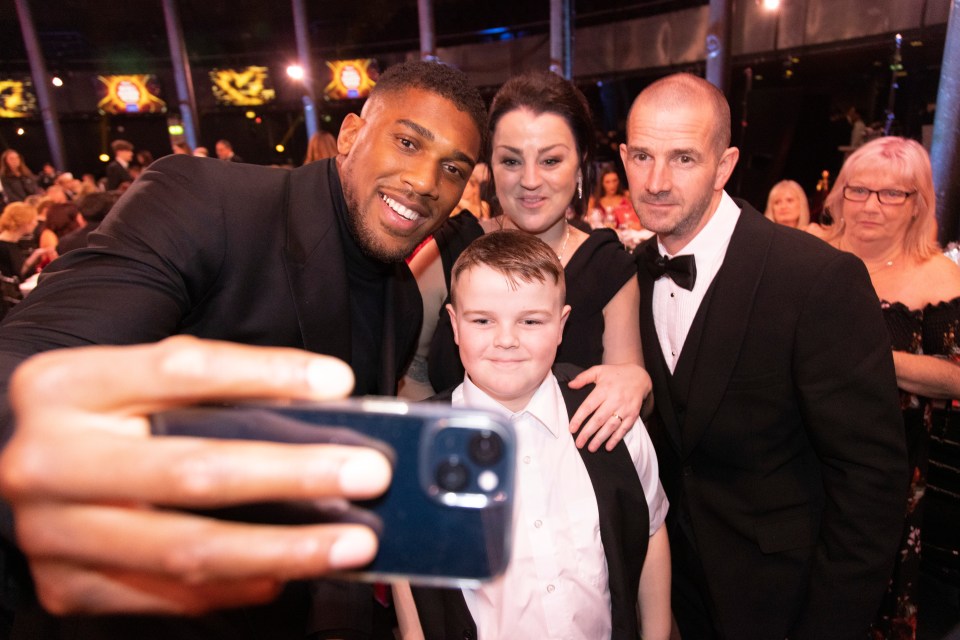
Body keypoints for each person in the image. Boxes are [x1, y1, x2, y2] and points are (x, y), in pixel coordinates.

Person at [0, 59, 486, 640]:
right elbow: (31, 362)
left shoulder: (404, 301)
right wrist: (38, 453)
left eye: (451, 169)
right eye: (407, 142)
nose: (426, 181)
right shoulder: (206, 200)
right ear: (352, 135)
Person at [622, 73, 907, 639]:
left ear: (724, 166)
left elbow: (870, 481)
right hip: (674, 600)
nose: (655, 181)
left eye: (682, 158)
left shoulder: (816, 278)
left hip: (787, 601)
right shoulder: (627, 279)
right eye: (643, 157)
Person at [409, 230, 670, 640]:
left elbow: (651, 531)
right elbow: (412, 582)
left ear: (561, 324)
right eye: (482, 321)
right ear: (455, 325)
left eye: (530, 321)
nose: (507, 339)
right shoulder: (418, 446)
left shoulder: (609, 417)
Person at [404, 71, 652, 452]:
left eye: (551, 160)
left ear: (581, 161)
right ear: (490, 165)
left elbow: (628, 392)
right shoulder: (449, 246)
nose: (531, 180)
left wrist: (636, 383)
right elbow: (412, 369)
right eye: (511, 161)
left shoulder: (607, 267)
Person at [822, 136, 960, 640]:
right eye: (858, 190)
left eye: (891, 195)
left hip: (891, 465)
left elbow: (956, 375)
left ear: (917, 204)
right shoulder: (805, 253)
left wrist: (869, 359)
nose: (870, 206)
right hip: (799, 453)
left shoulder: (939, 276)